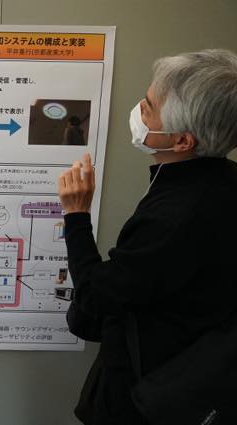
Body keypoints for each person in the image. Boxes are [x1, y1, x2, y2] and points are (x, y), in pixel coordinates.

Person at [57, 49, 237, 424]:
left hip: (148, 397)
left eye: (150, 107)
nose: (139, 109)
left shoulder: (178, 216)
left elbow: (96, 296)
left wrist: (76, 215)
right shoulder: (220, 183)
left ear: (183, 141)